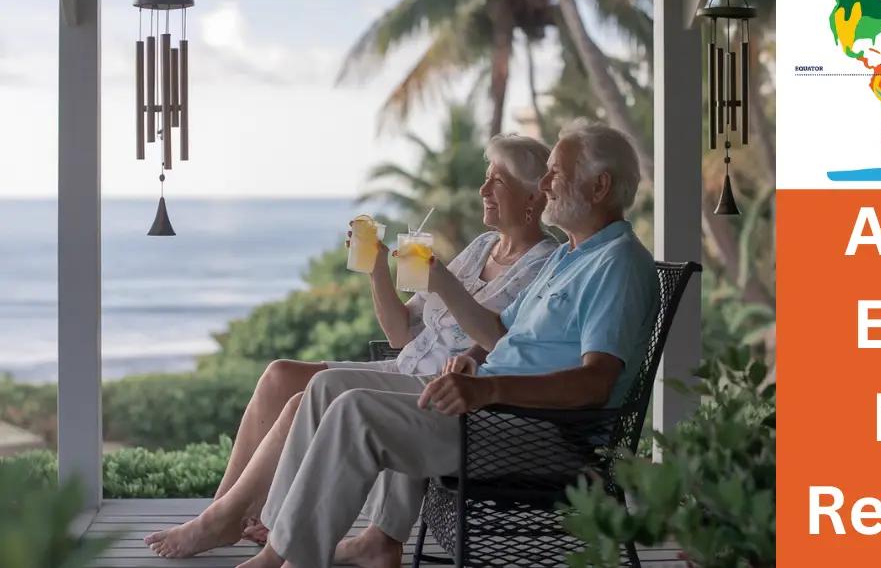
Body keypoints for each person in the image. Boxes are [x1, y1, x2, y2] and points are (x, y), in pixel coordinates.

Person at [237, 120, 659, 568]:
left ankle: (287, 559)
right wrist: (470, 361)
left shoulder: (618, 266)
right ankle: (281, 546)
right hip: (491, 407)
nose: (547, 184)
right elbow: (503, 331)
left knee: (354, 409)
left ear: (600, 186)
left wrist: (489, 390)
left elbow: (595, 383)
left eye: (557, 173)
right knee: (328, 388)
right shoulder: (569, 256)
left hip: (540, 431)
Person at [144, 134, 559, 559]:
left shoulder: (546, 265)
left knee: (302, 402)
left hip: (438, 383)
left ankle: (242, 524)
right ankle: (223, 511)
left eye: (497, 181)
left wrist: (446, 286)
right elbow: (401, 335)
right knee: (279, 375)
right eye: (485, 178)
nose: (483, 190)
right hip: (407, 364)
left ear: (531, 197)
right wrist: (377, 268)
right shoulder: (480, 249)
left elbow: (505, 345)